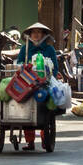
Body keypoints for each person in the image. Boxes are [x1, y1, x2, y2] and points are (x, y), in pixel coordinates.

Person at [14, 22, 59, 150]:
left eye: (39, 32)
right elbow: (20, 64)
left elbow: (55, 68)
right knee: (25, 105)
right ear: (30, 35)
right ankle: (30, 141)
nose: (36, 35)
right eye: (34, 32)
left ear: (44, 35)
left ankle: (46, 139)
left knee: (45, 109)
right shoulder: (25, 48)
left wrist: (49, 78)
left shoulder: (49, 49)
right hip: (27, 82)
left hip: (44, 82)